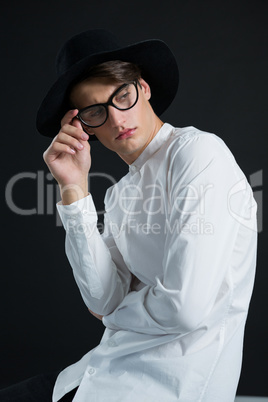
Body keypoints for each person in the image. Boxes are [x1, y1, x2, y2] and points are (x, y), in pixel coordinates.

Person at [1, 29, 257, 401]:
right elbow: (101, 299)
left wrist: (117, 317)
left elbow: (184, 309)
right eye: (95, 111)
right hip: (94, 374)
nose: (117, 120)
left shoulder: (198, 153)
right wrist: (74, 189)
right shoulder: (120, 195)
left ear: (144, 87)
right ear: (81, 126)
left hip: (162, 388)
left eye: (122, 95)